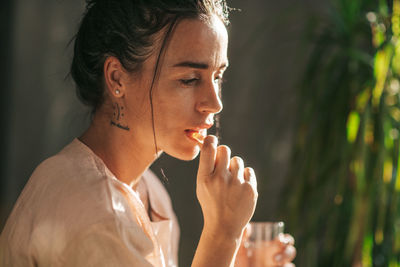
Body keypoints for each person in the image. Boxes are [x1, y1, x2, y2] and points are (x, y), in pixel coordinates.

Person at [0, 0, 296, 266]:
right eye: (190, 79)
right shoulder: (95, 212)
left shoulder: (151, 194)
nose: (214, 103)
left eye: (217, 76)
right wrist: (222, 236)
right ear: (117, 78)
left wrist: (235, 260)